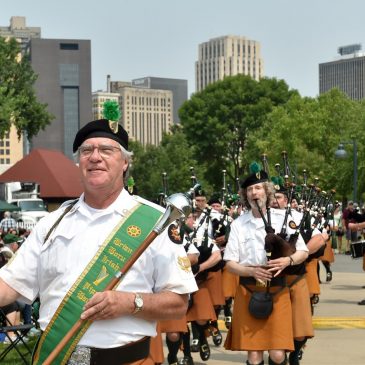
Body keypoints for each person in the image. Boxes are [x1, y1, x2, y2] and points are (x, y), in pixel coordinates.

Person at [0, 118, 198, 365]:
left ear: (125, 162)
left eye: (107, 149)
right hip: (56, 358)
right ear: (79, 162)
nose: (95, 157)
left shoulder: (156, 223)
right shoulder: (50, 224)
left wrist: (131, 302)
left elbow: (179, 303)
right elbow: (8, 285)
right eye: (86, 150)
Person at [224, 164, 309, 365]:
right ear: (246, 195)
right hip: (248, 288)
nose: (254, 192)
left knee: (278, 354)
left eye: (259, 188)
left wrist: (287, 260)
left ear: (267, 192)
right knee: (254, 356)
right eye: (250, 189)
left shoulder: (285, 219)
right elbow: (229, 263)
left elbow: (303, 252)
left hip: (278, 289)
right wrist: (250, 270)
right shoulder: (238, 224)